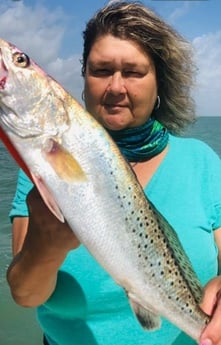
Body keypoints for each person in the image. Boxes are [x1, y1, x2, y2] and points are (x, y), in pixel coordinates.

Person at [6, 1, 221, 345]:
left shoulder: (203, 164)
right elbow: (25, 295)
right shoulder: (39, 170)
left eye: (134, 72)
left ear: (159, 84)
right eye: (101, 70)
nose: (116, 87)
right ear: (84, 77)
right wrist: (45, 246)